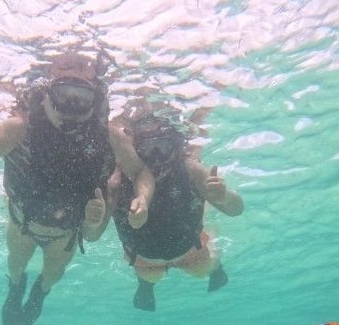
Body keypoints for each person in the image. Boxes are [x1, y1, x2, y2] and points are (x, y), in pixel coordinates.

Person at [0, 52, 154, 325]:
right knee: (16, 262)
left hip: (66, 233)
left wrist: (143, 196)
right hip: (22, 222)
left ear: (95, 102)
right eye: (63, 93)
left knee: (53, 272)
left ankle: (40, 292)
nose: (71, 105)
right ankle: (14, 287)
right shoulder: (19, 129)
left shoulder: (110, 137)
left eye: (81, 97)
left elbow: (141, 172)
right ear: (45, 94)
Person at [105, 111, 244, 311]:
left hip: (192, 253)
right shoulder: (121, 176)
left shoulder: (189, 168)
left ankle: (215, 270)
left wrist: (223, 196)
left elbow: (237, 209)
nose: (156, 158)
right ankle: (146, 285)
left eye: (163, 147)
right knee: (149, 275)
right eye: (147, 149)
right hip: (145, 261)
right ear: (134, 150)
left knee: (204, 268)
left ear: (176, 147)